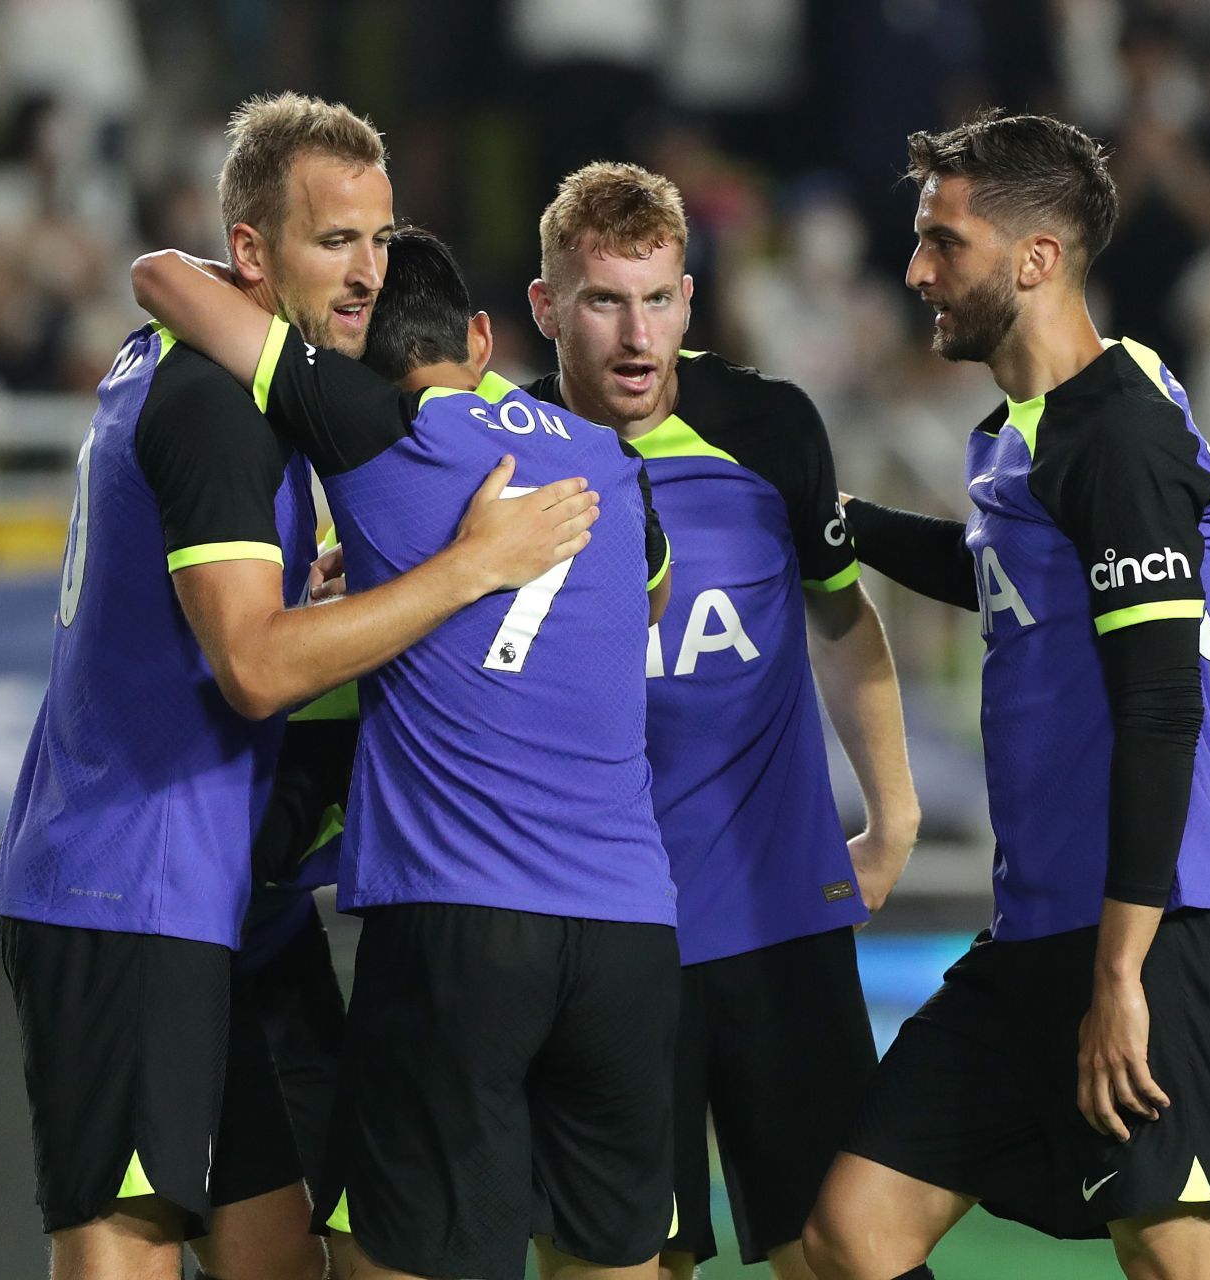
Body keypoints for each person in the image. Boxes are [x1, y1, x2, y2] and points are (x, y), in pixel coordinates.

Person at [0, 95, 597, 1280]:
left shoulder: (204, 364)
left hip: (221, 896)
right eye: (337, 242)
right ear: (255, 252)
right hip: (130, 883)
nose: (370, 273)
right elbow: (256, 667)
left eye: (380, 237)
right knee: (127, 1244)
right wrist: (473, 568)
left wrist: (318, 598)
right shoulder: (219, 409)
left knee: (273, 1249)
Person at [134, 226, 676, 1280]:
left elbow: (164, 280)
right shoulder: (606, 457)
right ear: (481, 337)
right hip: (630, 932)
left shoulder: (376, 429)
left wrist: (419, 565)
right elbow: (648, 591)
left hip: (462, 922)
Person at [803, 112, 1210, 1280]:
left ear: (1037, 256)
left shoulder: (1119, 433)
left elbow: (1162, 706)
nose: (916, 271)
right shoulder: (1022, 434)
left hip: (1152, 933)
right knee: (851, 1231)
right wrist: (829, 522)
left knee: (1174, 1264)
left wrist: (1121, 974)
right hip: (1036, 931)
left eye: (942, 243)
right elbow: (1004, 576)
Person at [523, 161, 920, 1280]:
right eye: (603, 300)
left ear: (691, 300)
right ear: (549, 308)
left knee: (839, 1252)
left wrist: (892, 818)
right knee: (614, 1264)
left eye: (657, 298)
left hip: (773, 919)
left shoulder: (771, 428)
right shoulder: (494, 449)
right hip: (599, 936)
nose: (635, 333)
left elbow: (842, 623)